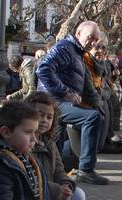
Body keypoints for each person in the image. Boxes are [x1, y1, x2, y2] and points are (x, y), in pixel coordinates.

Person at [37, 21, 108, 185]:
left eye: (95, 40)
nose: (92, 42)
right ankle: (86, 170)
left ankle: (54, 174)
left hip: (58, 101)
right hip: (54, 100)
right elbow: (43, 69)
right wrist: (65, 92)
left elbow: (84, 82)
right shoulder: (65, 47)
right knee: (91, 118)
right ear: (78, 34)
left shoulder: (76, 51)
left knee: (56, 140)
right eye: (90, 37)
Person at [26, 92, 86, 200]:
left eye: (49, 117)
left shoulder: (49, 143)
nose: (44, 120)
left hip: (47, 192)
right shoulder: (24, 141)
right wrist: (56, 189)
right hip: (29, 194)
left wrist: (66, 185)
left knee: (77, 195)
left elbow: (59, 170)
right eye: (40, 115)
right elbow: (29, 178)